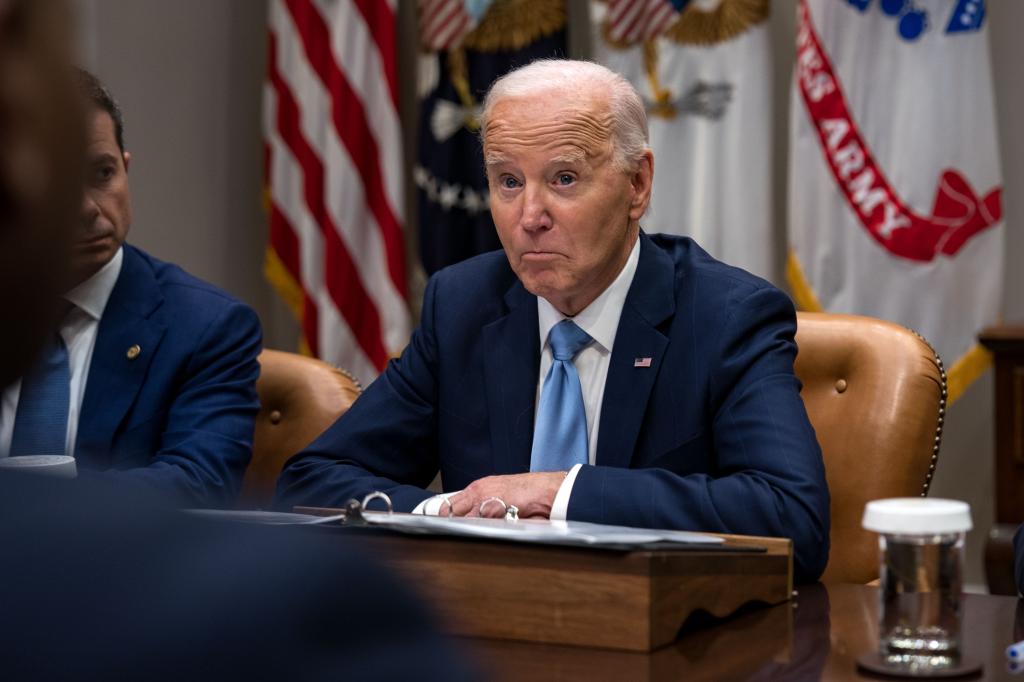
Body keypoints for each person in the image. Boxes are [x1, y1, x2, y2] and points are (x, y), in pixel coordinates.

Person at [276, 59, 831, 583]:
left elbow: (792, 517)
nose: (530, 218)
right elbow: (311, 483)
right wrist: (447, 511)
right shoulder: (464, 305)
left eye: (564, 178)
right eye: (509, 182)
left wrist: (559, 493)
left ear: (637, 185)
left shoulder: (726, 316)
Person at [0, 69, 262, 507]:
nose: (86, 208)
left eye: (102, 174)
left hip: (116, 570)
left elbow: (199, 484)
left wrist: (35, 513)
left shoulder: (207, 328)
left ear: (125, 166)